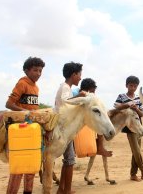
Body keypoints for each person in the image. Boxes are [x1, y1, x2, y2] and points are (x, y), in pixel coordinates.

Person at [5, 56, 45, 194]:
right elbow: (9, 104)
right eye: (35, 70)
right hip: (21, 131)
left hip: (32, 131)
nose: (38, 73)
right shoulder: (22, 83)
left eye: (40, 71)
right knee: (19, 166)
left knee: (31, 165)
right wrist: (26, 112)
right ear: (26, 70)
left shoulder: (36, 87)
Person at [54, 61, 87, 194]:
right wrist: (79, 96)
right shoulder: (66, 87)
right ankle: (66, 190)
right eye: (79, 74)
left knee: (68, 160)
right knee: (70, 160)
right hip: (63, 129)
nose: (80, 77)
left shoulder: (65, 87)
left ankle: (62, 189)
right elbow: (66, 102)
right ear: (73, 74)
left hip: (63, 127)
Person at [114, 75, 143, 182]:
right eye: (130, 86)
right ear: (126, 85)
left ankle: (133, 174)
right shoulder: (122, 96)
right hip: (129, 127)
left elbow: (141, 114)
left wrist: (136, 109)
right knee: (137, 151)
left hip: (138, 126)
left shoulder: (138, 98)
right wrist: (127, 105)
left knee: (135, 152)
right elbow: (116, 106)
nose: (132, 88)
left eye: (134, 86)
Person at [79, 78, 113, 157]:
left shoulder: (90, 97)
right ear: (87, 90)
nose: (94, 93)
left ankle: (99, 146)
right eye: (92, 91)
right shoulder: (77, 94)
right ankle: (100, 148)